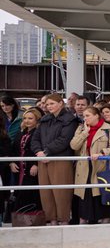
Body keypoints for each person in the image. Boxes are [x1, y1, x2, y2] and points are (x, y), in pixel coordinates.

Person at [31, 93, 80, 225]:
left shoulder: (70, 119)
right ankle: (51, 219)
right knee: (46, 192)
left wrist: (46, 152)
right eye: (47, 104)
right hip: (43, 159)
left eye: (52, 103)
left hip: (60, 160)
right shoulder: (45, 119)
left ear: (60, 104)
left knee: (61, 192)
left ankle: (63, 219)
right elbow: (35, 138)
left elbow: (65, 140)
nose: (49, 106)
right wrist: (39, 152)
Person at [70, 106, 110, 225]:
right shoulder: (81, 128)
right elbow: (73, 146)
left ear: (97, 116)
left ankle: (103, 218)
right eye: (84, 116)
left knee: (100, 193)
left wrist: (102, 153)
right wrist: (84, 134)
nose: (85, 118)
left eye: (88, 116)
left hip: (101, 166)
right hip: (84, 167)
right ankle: (84, 218)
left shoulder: (109, 129)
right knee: (85, 194)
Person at [9, 107, 43, 216]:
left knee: (30, 194)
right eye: (25, 118)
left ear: (37, 119)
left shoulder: (39, 132)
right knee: (19, 193)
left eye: (30, 118)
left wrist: (36, 164)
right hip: (20, 169)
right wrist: (11, 162)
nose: (27, 121)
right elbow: (14, 149)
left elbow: (41, 149)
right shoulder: (21, 132)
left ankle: (32, 219)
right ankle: (20, 219)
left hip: (31, 168)